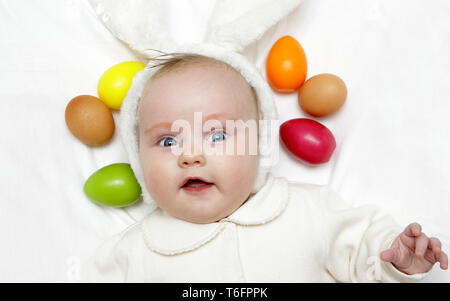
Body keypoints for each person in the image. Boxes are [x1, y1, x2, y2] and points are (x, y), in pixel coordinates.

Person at [81, 53, 447, 282]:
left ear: (258, 146)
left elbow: (363, 252)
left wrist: (397, 261)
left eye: (218, 135)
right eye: (167, 141)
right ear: (139, 161)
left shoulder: (306, 212)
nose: (189, 156)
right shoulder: (134, 254)